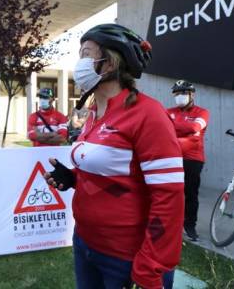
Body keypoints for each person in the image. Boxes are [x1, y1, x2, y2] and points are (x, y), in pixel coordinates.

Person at [44, 24, 184, 289]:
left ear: (108, 64)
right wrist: (74, 178)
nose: (79, 63)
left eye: (86, 54)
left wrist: (151, 265)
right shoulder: (94, 112)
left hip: (126, 257)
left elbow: (170, 198)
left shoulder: (148, 115)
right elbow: (117, 172)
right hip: (85, 242)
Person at [166, 80, 209, 242]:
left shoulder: (202, 112)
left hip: (193, 159)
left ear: (192, 95)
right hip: (171, 157)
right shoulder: (168, 111)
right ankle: (171, 225)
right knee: (171, 193)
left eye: (183, 93)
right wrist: (185, 129)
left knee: (191, 194)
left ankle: (190, 225)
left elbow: (194, 129)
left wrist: (173, 126)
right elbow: (161, 128)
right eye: (177, 94)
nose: (180, 96)